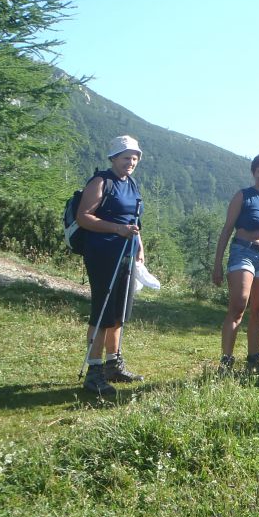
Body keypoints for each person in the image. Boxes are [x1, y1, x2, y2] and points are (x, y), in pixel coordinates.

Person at [77, 135, 146, 396]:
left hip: (126, 253)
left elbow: (134, 220)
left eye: (134, 157)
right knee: (103, 312)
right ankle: (94, 372)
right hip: (102, 253)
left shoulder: (131, 183)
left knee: (119, 312)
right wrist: (117, 228)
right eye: (126, 157)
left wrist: (140, 247)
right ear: (113, 158)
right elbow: (84, 217)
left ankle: (113, 364)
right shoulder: (101, 181)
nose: (131, 161)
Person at [212, 152, 259, 374]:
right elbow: (227, 229)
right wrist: (217, 264)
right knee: (238, 305)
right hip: (242, 253)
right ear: (254, 173)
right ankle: (226, 361)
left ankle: (254, 360)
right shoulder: (243, 196)